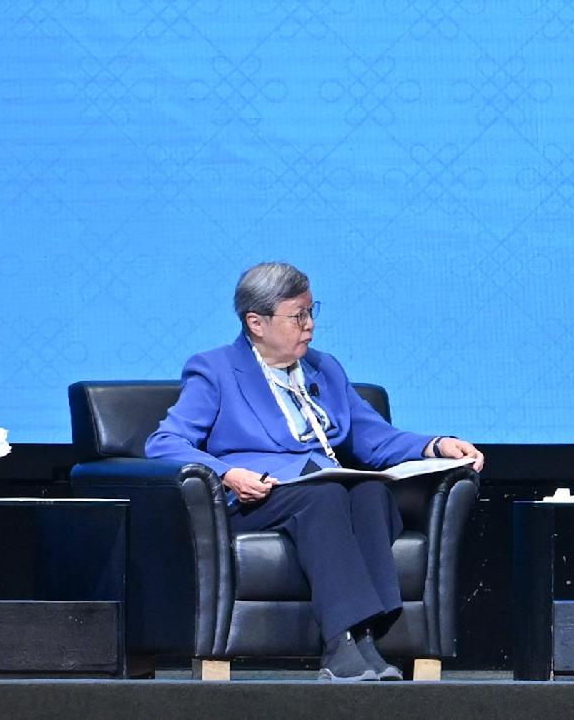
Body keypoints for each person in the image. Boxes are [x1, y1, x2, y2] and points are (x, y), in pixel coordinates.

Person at [143, 262, 484, 681]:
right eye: (297, 316)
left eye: (310, 312)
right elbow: (164, 442)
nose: (309, 326)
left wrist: (435, 445)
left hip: (325, 486)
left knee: (370, 493)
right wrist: (229, 474)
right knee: (326, 495)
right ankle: (340, 642)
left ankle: (365, 641)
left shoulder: (325, 368)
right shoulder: (215, 371)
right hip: (260, 494)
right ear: (256, 322)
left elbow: (372, 435)